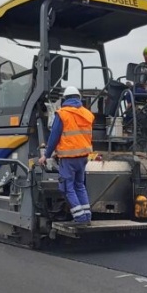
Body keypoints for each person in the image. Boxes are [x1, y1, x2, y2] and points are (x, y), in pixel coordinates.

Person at [38, 86, 95, 225]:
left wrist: (46, 155)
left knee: (67, 188)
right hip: (83, 157)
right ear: (78, 98)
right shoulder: (87, 114)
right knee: (80, 185)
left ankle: (80, 218)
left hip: (68, 158)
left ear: (65, 99)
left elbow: (54, 137)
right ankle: (87, 216)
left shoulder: (62, 114)